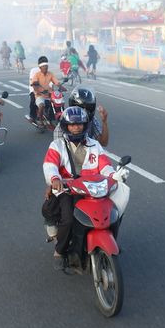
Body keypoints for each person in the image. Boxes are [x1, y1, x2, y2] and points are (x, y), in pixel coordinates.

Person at [42, 106, 128, 270]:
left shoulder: (94, 144)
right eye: (72, 125)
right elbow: (50, 165)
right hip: (68, 189)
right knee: (68, 219)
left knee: (113, 213)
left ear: (85, 125)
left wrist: (115, 176)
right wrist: (55, 179)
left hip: (92, 189)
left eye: (80, 124)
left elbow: (104, 166)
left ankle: (110, 240)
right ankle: (59, 251)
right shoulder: (57, 145)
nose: (76, 127)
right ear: (66, 126)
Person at [30, 56, 60, 127]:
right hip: (40, 95)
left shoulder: (50, 74)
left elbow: (56, 82)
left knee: (59, 102)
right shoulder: (36, 75)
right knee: (41, 105)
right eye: (43, 66)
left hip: (50, 94)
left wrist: (61, 86)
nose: (45, 68)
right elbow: (35, 85)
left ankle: (56, 118)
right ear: (40, 68)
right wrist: (41, 91)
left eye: (46, 66)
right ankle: (39, 119)